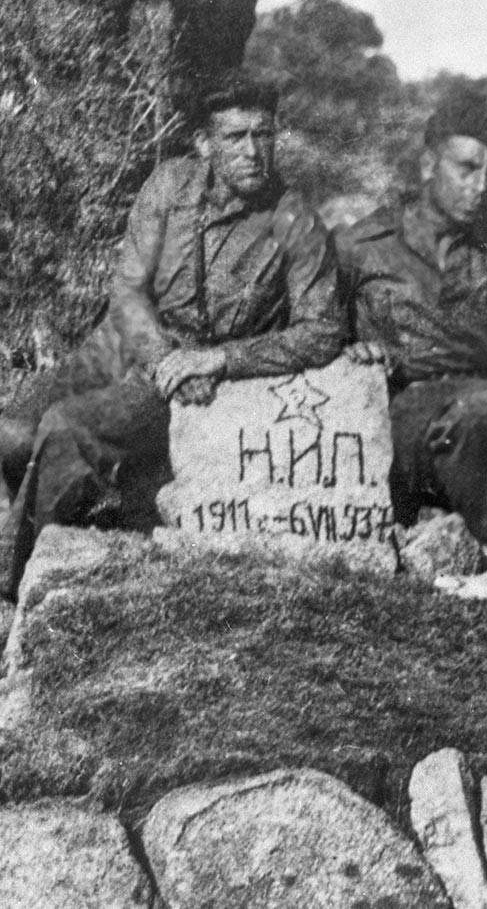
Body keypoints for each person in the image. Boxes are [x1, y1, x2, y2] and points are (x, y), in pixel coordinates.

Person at [0, 70, 344, 598]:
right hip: (128, 340)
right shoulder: (168, 186)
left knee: (68, 429)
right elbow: (129, 291)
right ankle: (57, 511)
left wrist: (221, 360)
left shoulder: (295, 221)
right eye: (235, 137)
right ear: (205, 144)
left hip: (197, 375)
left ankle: (20, 583)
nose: (253, 151)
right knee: (12, 428)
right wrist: (158, 354)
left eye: (264, 135)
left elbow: (322, 331)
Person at [336, 84, 487, 558]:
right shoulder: (361, 247)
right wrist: (351, 355)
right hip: (401, 424)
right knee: (477, 406)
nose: (481, 187)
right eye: (467, 168)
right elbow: (321, 341)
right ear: (429, 165)